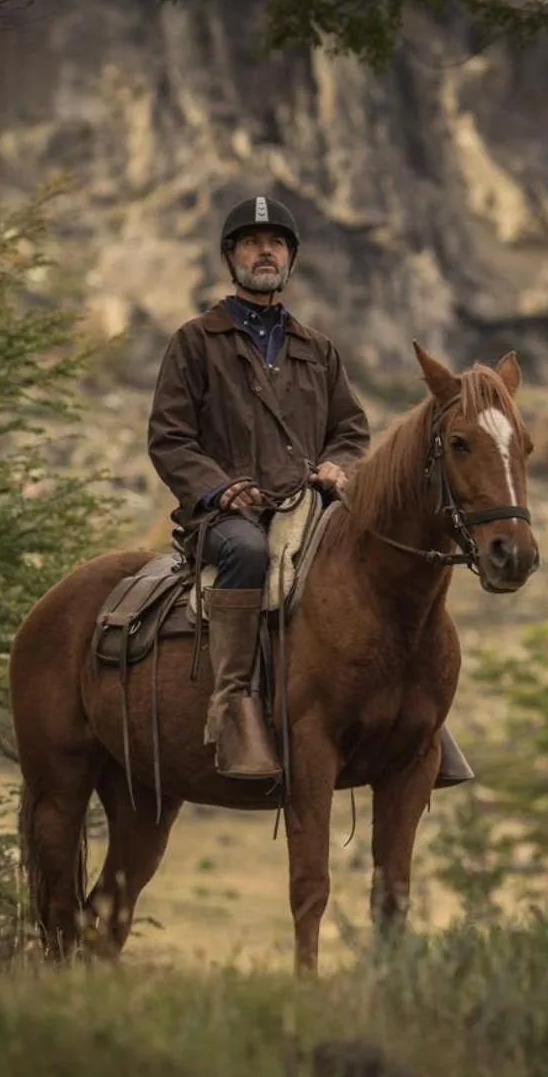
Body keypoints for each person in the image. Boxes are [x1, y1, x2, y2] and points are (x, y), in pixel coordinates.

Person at [146, 195, 475, 787]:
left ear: (290, 259)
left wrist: (336, 465)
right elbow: (169, 439)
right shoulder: (196, 342)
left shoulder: (317, 348)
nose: (264, 251)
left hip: (311, 505)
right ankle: (235, 703)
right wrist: (220, 491)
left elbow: (350, 429)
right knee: (247, 552)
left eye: (276, 243)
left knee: (377, 559)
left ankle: (420, 714)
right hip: (229, 515)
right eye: (251, 242)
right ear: (230, 257)